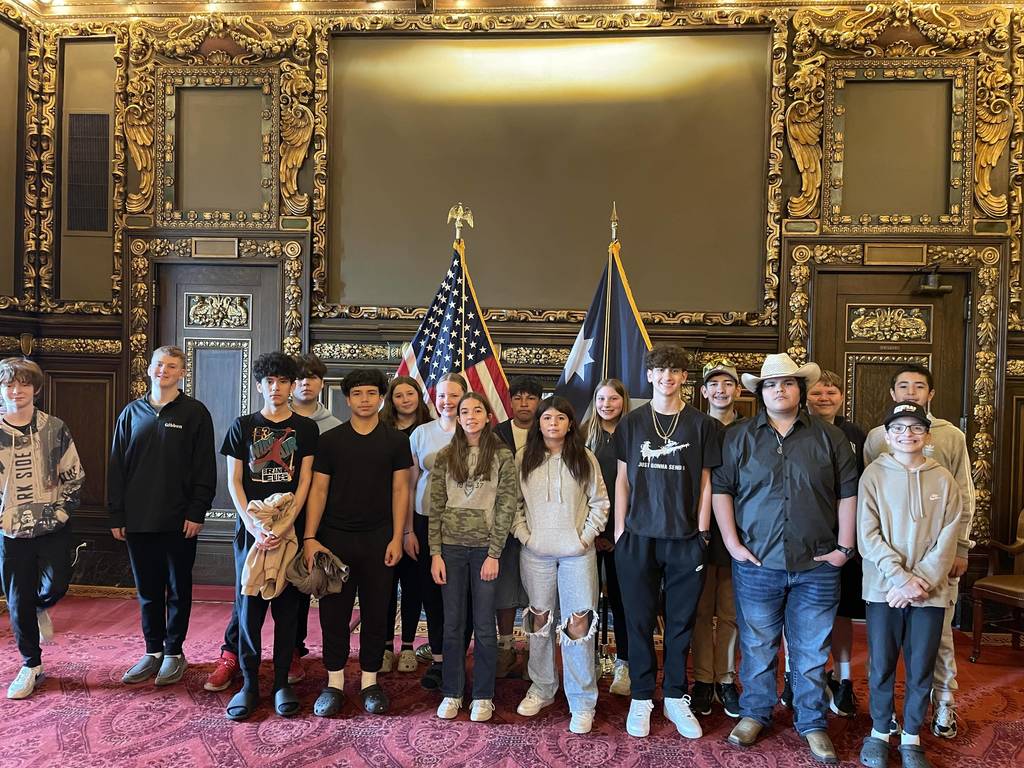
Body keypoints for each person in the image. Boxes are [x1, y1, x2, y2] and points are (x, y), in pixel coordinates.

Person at [712, 353, 858, 763]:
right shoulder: (738, 436)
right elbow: (722, 490)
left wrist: (844, 549)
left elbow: (849, 492)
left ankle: (811, 720)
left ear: (800, 390)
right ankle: (756, 712)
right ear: (761, 393)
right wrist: (732, 543)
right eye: (772, 385)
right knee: (758, 646)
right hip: (757, 562)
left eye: (788, 384)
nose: (780, 390)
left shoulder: (829, 438)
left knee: (811, 650)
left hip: (817, 565)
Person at [863, 364, 975, 740]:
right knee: (881, 663)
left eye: (914, 428)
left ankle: (913, 733)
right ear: (886, 435)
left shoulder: (943, 475)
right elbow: (868, 530)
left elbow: (949, 530)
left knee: (924, 659)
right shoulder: (874, 473)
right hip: (884, 587)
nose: (906, 434)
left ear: (927, 435)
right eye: (898, 428)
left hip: (932, 587)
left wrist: (920, 581)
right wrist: (899, 578)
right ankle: (880, 730)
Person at [613, 344, 719, 740]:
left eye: (674, 371)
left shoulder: (702, 425)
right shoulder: (632, 423)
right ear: (650, 376)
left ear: (684, 378)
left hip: (686, 537)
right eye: (660, 370)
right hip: (637, 535)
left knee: (680, 622)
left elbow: (707, 481)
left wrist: (703, 531)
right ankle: (642, 696)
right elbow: (623, 478)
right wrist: (620, 529)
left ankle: (675, 694)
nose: (667, 377)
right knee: (638, 621)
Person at [303, 368, 411, 717]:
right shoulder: (331, 440)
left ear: (381, 398)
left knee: (377, 612)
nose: (365, 400)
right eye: (358, 394)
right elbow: (318, 490)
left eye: (371, 393)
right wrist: (310, 537)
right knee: (334, 615)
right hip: (334, 539)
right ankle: (334, 683)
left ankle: (369, 682)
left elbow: (400, 490)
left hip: (380, 539)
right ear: (347, 399)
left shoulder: (396, 441)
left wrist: (397, 537)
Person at [109, 346, 216, 687]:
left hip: (179, 520)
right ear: (149, 369)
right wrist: (116, 514)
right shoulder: (131, 413)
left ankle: (174, 652)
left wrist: (197, 510)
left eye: (171, 366)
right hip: (138, 519)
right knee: (147, 590)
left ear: (182, 373)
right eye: (159, 365)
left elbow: (205, 467)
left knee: (177, 589)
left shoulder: (195, 413)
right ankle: (152, 651)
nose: (163, 371)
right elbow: (116, 467)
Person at [220, 352, 317, 721]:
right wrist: (253, 525)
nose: (276, 388)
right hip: (252, 532)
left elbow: (305, 481)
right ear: (259, 385)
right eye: (269, 382)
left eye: (282, 381)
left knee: (287, 609)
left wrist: (284, 525)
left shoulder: (306, 429)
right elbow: (233, 481)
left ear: (292, 386)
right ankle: (249, 684)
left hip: (288, 531)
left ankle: (280, 682)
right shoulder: (242, 426)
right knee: (249, 612)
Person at [512, 396, 609, 734]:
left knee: (578, 625)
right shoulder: (524, 458)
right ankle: (542, 687)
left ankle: (582, 701)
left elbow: (601, 504)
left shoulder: (584, 458)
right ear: (538, 423)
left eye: (560, 418)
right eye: (547, 418)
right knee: (538, 620)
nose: (553, 424)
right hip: (536, 553)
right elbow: (512, 505)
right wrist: (526, 537)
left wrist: (583, 539)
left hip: (577, 555)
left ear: (570, 423)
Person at [430, 392, 517, 723]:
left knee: (483, 625)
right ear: (457, 416)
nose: (469, 416)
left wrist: (495, 553)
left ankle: (483, 695)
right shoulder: (445, 455)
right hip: (450, 550)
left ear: (487, 415)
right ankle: (452, 692)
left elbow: (507, 506)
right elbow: (436, 505)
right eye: (463, 411)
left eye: (476, 411)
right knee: (452, 625)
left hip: (485, 550)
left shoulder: (502, 456)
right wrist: (435, 553)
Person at [0, 358, 83, 700]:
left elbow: (74, 474)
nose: (16, 391)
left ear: (35, 389)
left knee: (58, 582)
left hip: (52, 525)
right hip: (9, 531)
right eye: (9, 385)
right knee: (17, 598)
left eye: (23, 384)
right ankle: (30, 663)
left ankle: (40, 605)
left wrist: (62, 512)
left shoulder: (54, 428)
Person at [803, 369, 867, 717]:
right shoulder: (794, 429)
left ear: (841, 396)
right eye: (817, 393)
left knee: (842, 614)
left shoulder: (856, 434)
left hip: (846, 541)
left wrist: (851, 543)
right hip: (806, 538)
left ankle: (843, 680)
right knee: (797, 616)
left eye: (831, 392)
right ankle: (793, 677)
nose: (824, 398)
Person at [690, 359, 743, 719]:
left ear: (739, 391)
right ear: (704, 391)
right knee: (699, 609)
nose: (721, 390)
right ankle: (702, 680)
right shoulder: (693, 427)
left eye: (728, 384)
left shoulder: (751, 429)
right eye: (714, 384)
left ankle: (725, 678)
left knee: (730, 612)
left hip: (740, 532)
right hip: (698, 530)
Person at [407, 372, 466, 690]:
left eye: (454, 395)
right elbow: (409, 483)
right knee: (432, 595)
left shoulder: (474, 430)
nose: (447, 401)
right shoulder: (420, 433)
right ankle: (440, 661)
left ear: (465, 396)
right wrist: (407, 531)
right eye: (441, 395)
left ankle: (458, 659)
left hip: (463, 526)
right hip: (425, 520)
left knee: (459, 596)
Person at [286, 353, 341, 684]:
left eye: (313, 377)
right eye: (301, 377)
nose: (307, 383)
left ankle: (294, 650)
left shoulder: (333, 426)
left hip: (313, 518)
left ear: (322, 383)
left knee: (301, 584)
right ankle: (233, 652)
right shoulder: (276, 417)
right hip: (275, 515)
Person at [581, 378, 631, 696]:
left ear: (623, 401)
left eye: (613, 399)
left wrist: (615, 531)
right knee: (585, 601)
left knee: (621, 601)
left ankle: (624, 663)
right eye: (601, 399)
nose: (607, 404)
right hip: (587, 530)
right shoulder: (584, 435)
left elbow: (635, 487)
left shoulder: (633, 433)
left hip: (623, 532)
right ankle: (586, 660)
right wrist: (594, 531)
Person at [380, 375, 433, 673]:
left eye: (410, 394)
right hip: (384, 516)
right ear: (392, 400)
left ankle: (410, 645)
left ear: (418, 397)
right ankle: (386, 646)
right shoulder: (382, 430)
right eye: (398, 396)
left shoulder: (429, 431)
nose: (405, 400)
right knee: (386, 585)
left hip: (418, 518)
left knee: (413, 584)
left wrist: (409, 530)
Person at [493, 375, 542, 677]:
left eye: (530, 398)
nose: (524, 403)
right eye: (518, 398)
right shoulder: (496, 433)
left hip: (541, 523)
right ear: (510, 401)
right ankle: (506, 647)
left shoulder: (548, 428)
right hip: (504, 521)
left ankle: (534, 651)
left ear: (539, 402)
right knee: (506, 587)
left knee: (536, 590)